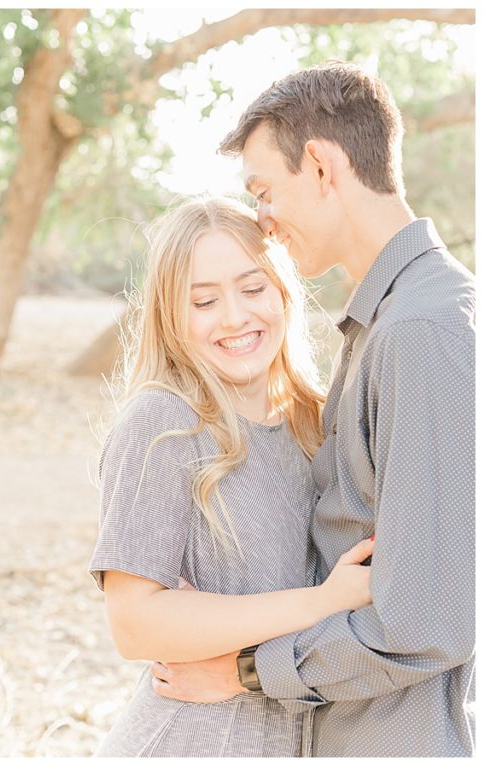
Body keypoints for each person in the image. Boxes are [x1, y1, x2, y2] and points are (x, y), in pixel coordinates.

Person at [147, 63, 475, 757]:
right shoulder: (385, 326)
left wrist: (241, 671)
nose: (263, 222)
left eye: (265, 191)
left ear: (322, 167)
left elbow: (427, 623)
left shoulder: (420, 332)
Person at [88, 196, 374, 756]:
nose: (236, 317)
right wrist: (322, 601)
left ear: (283, 292)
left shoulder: (317, 422)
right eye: (204, 300)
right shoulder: (164, 423)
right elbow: (134, 625)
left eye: (252, 288)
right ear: (172, 315)